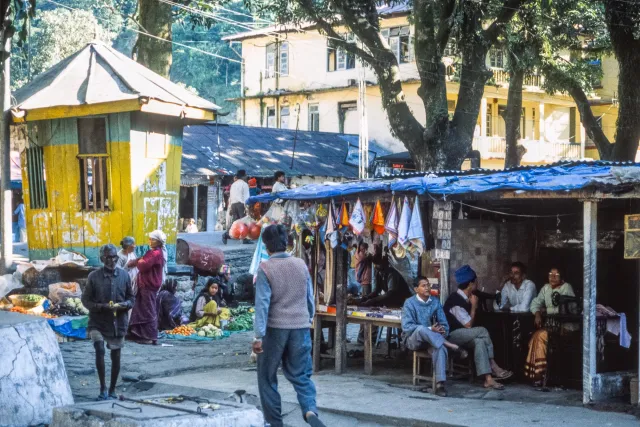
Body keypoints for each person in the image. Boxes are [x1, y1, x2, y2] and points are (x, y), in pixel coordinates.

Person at [253, 224, 325, 427]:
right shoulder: (301, 265)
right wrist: (308, 319)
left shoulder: (265, 268)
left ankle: (274, 422)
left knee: (267, 378)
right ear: (287, 244)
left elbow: (262, 305)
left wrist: (258, 336)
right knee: (301, 376)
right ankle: (310, 411)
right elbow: (309, 299)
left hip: (274, 329)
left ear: (267, 247)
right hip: (300, 327)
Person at [444, 265, 513, 390]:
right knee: (482, 330)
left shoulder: (469, 296)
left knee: (480, 341)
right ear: (471, 283)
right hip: (452, 336)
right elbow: (468, 325)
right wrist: (474, 307)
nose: (477, 283)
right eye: (476, 281)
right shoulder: (454, 300)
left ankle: (488, 380)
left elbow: (491, 296)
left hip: (465, 335)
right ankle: (493, 365)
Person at [81, 244, 134, 400]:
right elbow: (85, 300)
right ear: (102, 259)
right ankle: (102, 388)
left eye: (113, 257)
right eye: (107, 257)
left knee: (116, 355)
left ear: (117, 258)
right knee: (99, 349)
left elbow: (131, 298)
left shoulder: (125, 276)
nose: (111, 260)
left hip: (118, 323)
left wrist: (125, 305)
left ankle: (112, 389)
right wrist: (100, 307)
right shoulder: (94, 276)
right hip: (98, 321)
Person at [402, 277, 468, 397]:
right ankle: (451, 345)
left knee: (440, 348)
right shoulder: (409, 303)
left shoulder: (435, 302)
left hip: (433, 340)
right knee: (421, 328)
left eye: (428, 285)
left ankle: (439, 385)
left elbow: (444, 324)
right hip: (413, 339)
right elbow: (407, 327)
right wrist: (429, 329)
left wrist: (441, 330)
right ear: (416, 289)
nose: (427, 288)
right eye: (423, 285)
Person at [524, 267, 576, 386]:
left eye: (556, 275)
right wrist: (537, 313)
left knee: (538, 336)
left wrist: (546, 309)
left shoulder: (566, 287)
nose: (552, 277)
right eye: (550, 274)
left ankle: (539, 375)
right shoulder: (546, 288)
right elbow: (535, 303)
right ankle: (539, 375)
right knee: (536, 337)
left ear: (562, 278)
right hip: (553, 327)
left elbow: (566, 309)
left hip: (566, 327)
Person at [127, 230, 167, 344]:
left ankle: (150, 336)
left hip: (149, 285)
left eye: (152, 239)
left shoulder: (156, 253)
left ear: (158, 242)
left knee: (149, 310)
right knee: (141, 309)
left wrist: (138, 261)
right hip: (145, 285)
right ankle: (138, 333)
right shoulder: (154, 252)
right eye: (150, 239)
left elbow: (143, 265)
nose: (150, 241)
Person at [223, 170, 250, 245]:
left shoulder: (233, 184)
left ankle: (227, 235)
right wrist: (247, 207)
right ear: (243, 176)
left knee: (235, 222)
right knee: (244, 221)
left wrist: (231, 207)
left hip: (233, 204)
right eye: (245, 175)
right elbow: (246, 197)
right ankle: (244, 238)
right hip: (241, 204)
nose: (246, 177)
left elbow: (231, 196)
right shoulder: (244, 184)